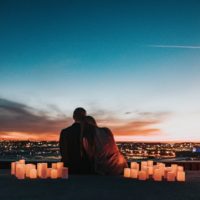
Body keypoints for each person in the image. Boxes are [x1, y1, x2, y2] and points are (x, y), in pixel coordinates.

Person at [59, 108, 93, 174]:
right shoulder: (90, 131)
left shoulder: (65, 132)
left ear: (73, 117)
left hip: (69, 168)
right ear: (85, 117)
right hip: (87, 169)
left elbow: (63, 151)